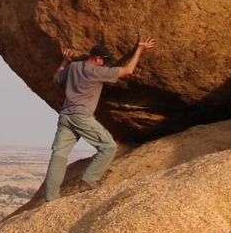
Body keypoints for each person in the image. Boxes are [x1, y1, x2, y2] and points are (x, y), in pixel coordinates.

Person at [42, 37, 157, 202]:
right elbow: (128, 70)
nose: (105, 64)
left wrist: (64, 61)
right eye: (104, 60)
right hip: (82, 116)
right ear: (96, 58)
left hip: (65, 116)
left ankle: (51, 197)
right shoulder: (96, 72)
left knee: (59, 155)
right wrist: (140, 49)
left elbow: (56, 79)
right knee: (109, 146)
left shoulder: (73, 66)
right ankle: (89, 179)